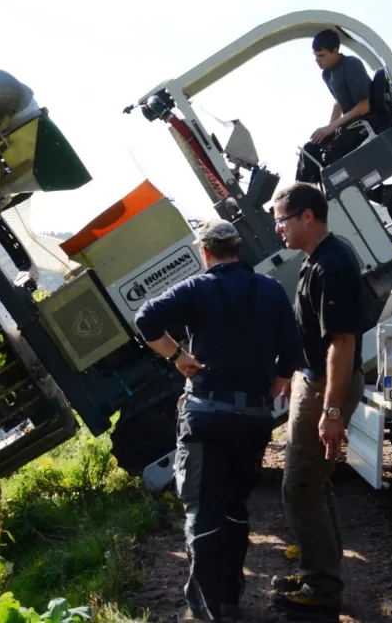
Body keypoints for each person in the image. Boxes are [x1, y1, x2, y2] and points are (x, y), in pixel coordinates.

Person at [135, 218, 302, 622]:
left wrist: (178, 357)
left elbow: (146, 319)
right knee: (234, 507)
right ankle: (229, 596)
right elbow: (293, 348)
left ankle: (209, 609)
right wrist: (278, 379)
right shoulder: (271, 289)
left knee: (203, 510)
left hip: (206, 416)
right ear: (239, 249)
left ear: (204, 252)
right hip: (254, 419)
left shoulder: (197, 288)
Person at [268, 182, 369, 620]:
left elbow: (342, 344)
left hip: (327, 387)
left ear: (307, 216)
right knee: (313, 484)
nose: (278, 230)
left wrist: (330, 411)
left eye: (282, 220)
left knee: (300, 487)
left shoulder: (333, 265)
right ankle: (318, 571)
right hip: (311, 380)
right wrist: (297, 375)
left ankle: (322, 588)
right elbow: (314, 336)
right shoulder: (317, 260)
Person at [296, 29, 375, 184]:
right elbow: (338, 102)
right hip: (350, 126)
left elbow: (364, 106)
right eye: (315, 56)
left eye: (322, 55)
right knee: (310, 149)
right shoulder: (327, 74)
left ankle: (316, 200)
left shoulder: (351, 64)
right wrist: (329, 129)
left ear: (335, 51)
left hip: (366, 124)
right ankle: (298, 197)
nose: (317, 60)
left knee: (329, 156)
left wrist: (332, 127)